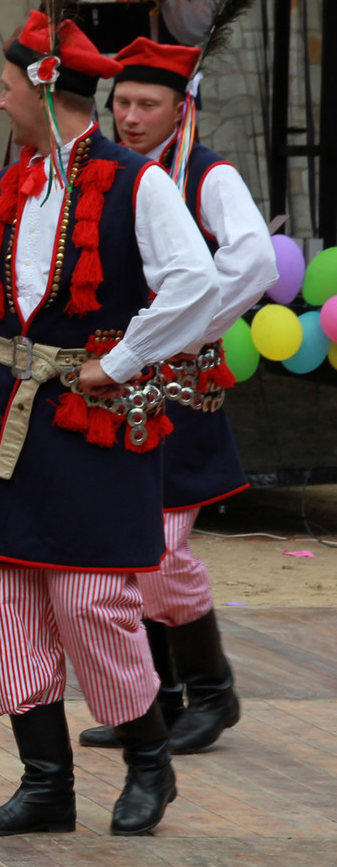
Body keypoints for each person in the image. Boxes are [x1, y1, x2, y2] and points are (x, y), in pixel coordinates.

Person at [0, 11, 220, 838]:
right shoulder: (7, 184)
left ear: (46, 91)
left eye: (8, 84)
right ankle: (46, 783)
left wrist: (121, 360)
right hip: (13, 415)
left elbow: (196, 283)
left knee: (91, 602)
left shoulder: (137, 182)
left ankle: (149, 762)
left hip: (96, 420)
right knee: (1, 599)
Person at [73, 38, 276, 756]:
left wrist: (190, 326)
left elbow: (254, 259)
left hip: (180, 390)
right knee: (130, 542)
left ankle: (212, 691)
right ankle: (157, 699)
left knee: (159, 547)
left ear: (180, 107)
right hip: (119, 382)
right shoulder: (112, 171)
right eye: (122, 103)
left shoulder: (207, 174)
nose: (130, 117)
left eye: (147, 104)